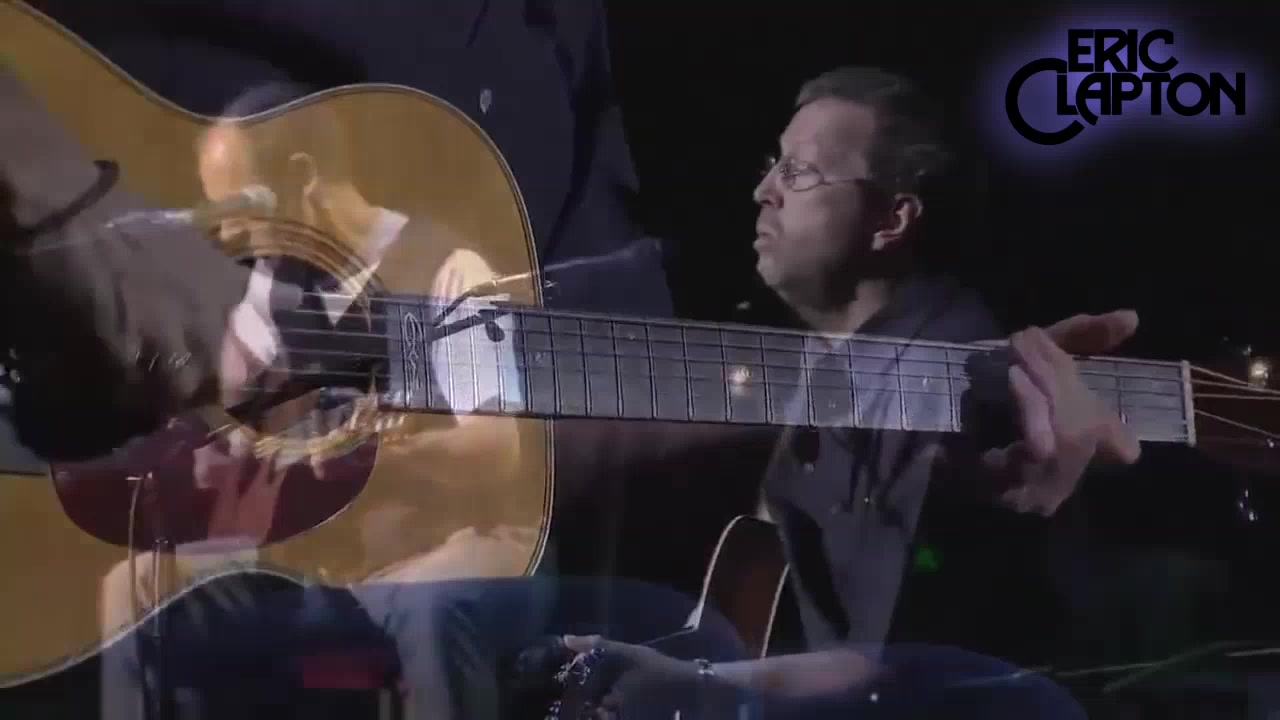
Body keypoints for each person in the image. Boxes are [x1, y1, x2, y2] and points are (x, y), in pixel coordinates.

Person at [555, 66, 1143, 719]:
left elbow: (876, 667)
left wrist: (686, 681)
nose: (763, 191)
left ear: (891, 219)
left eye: (798, 173)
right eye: (772, 166)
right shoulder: (814, 363)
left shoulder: (939, 380)